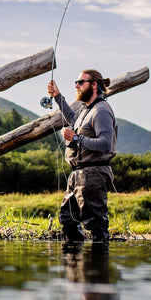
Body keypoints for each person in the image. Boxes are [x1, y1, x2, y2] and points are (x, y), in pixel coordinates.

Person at [47, 70, 117, 243]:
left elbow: (105, 144)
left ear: (94, 85)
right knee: (67, 220)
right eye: (76, 82)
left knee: (96, 225)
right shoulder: (87, 110)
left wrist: (75, 138)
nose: (76, 85)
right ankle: (77, 267)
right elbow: (73, 120)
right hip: (78, 175)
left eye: (80, 82)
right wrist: (57, 96)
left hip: (93, 174)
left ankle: (97, 266)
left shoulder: (101, 110)